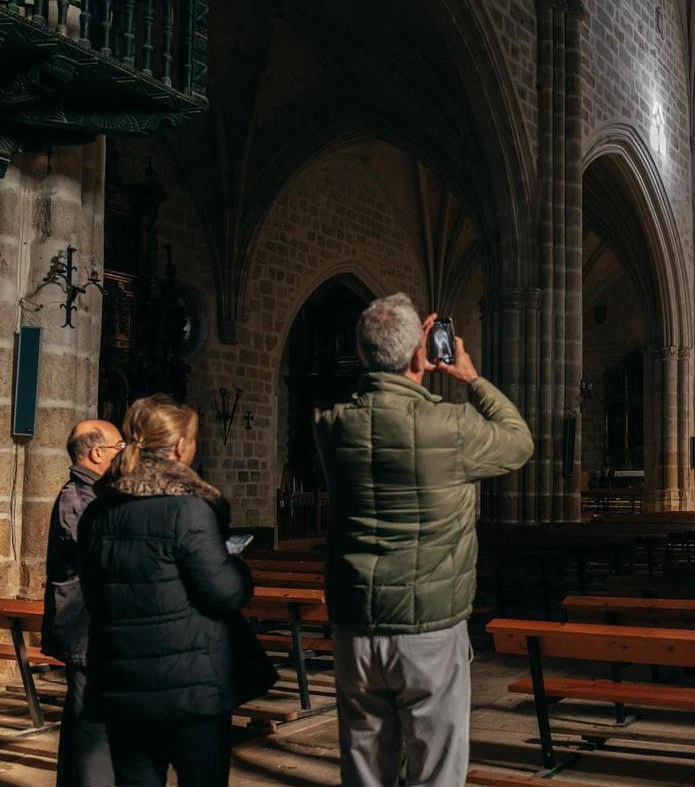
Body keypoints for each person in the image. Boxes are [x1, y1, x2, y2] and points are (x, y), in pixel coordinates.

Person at [315, 292, 534, 787]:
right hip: (429, 630)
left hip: (357, 626)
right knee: (436, 768)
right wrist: (469, 377)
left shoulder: (332, 427)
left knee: (366, 770)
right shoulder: (452, 427)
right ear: (422, 354)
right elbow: (519, 441)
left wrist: (410, 354)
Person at [78, 395, 274, 787]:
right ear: (181, 446)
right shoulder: (188, 509)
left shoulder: (99, 509)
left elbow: (94, 587)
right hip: (188, 687)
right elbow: (223, 593)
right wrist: (236, 566)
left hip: (122, 680)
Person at [43, 420, 123, 787]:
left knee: (84, 729)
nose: (124, 454)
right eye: (119, 447)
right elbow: (107, 558)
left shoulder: (96, 496)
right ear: (96, 453)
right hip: (85, 631)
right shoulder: (79, 500)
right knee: (93, 737)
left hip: (91, 629)